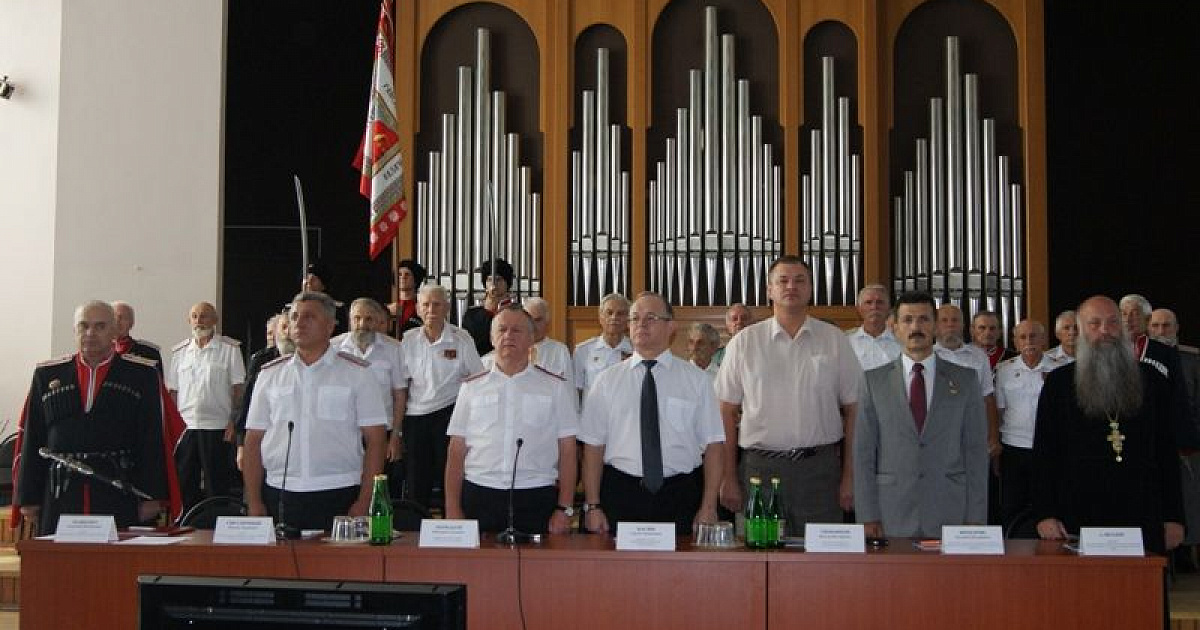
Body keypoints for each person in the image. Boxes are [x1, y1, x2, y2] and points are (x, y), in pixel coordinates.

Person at [714, 256, 860, 533]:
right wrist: (728, 476)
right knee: (758, 554)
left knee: (822, 552)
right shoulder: (745, 342)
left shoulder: (834, 340)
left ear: (811, 289)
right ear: (769, 290)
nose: (791, 286)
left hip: (820, 472)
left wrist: (849, 476)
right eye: (783, 281)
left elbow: (854, 409)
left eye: (800, 280)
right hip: (758, 471)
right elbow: (725, 412)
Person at [1033, 296, 1184, 554]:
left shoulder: (1152, 381)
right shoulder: (1058, 384)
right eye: (1095, 323)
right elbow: (1045, 453)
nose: (1105, 331)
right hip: (1077, 513)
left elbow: (1167, 452)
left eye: (1113, 322)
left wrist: (1174, 517)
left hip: (1143, 513)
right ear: (1080, 330)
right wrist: (1045, 513)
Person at [15, 301, 174, 534]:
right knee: (59, 556)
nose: (90, 333)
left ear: (114, 331)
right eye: (83, 326)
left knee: (117, 555)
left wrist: (152, 496)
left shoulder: (142, 375)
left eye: (100, 326)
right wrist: (28, 497)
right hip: (60, 492)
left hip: (118, 489)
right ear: (74, 330)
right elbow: (33, 438)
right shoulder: (47, 375)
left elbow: (152, 438)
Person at [580, 292, 724, 536]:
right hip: (621, 492)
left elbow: (713, 446)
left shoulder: (696, 381)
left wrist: (709, 506)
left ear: (671, 327)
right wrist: (592, 505)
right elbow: (593, 448)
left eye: (650, 318)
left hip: (680, 493)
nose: (641, 324)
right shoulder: (606, 381)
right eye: (635, 318)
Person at [242, 291, 388, 531]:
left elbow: (376, 440)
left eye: (309, 317)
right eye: (295, 317)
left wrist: (365, 500)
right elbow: (253, 440)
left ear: (330, 326)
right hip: (280, 492)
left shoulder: (357, 373)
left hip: (339, 491)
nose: (299, 323)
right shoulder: (270, 374)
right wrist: (254, 501)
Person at [854, 291, 988, 538]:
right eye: (907, 320)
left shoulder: (966, 380)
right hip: (891, 510)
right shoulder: (873, 381)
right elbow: (863, 453)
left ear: (936, 326)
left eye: (924, 319)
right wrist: (867, 515)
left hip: (951, 510)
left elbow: (976, 453)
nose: (916, 327)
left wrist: (976, 516)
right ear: (894, 327)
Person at [444, 306, 579, 534]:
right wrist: (452, 508)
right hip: (480, 493)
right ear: (492, 338)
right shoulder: (471, 387)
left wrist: (564, 508)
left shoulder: (554, 387)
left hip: (535, 495)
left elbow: (567, 450)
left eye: (516, 330)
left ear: (532, 339)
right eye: (502, 329)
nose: (508, 336)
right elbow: (456, 450)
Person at [399, 284, 485, 509]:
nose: (431, 310)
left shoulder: (461, 339)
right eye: (426, 305)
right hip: (415, 418)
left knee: (450, 477)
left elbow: (477, 379)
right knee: (416, 480)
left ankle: (452, 522)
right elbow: (402, 384)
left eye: (436, 304)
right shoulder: (408, 340)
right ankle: (416, 526)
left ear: (447, 308)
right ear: (418, 309)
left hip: (449, 415)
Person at [167, 302, 245, 510]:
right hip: (186, 427)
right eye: (194, 316)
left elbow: (238, 390)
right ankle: (186, 522)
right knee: (184, 482)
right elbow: (173, 393)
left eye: (204, 316)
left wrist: (234, 422)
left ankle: (214, 523)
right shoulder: (180, 352)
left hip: (217, 426)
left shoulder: (229, 349)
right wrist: (171, 428)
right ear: (189, 320)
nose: (199, 321)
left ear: (215, 320)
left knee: (216, 484)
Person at [333, 298, 409, 498]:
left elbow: (399, 395)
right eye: (357, 318)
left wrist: (395, 437)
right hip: (345, 431)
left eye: (368, 319)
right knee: (348, 489)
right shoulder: (334, 348)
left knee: (381, 491)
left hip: (382, 431)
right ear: (350, 320)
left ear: (377, 322)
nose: (362, 324)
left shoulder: (394, 349)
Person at [1149, 307, 1200, 567]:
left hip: (1187, 447)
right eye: (1155, 326)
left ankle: (1186, 554)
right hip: (1152, 445)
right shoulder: (1140, 360)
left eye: (1166, 325)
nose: (1161, 331)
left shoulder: (1192, 360)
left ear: (1177, 328)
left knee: (1190, 502)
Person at [994, 319, 1055, 535]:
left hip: (1048, 448)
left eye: (1033, 336)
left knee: (1047, 503)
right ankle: (1011, 546)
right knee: (1012, 505)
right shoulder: (1003, 370)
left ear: (1044, 339)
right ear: (1015, 342)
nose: (1028, 341)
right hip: (1014, 448)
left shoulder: (1059, 369)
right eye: (1023, 337)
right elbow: (999, 411)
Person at [235, 312, 294, 469]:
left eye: (291, 327)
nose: (288, 332)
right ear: (276, 332)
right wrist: (241, 445)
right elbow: (246, 403)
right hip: (265, 440)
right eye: (284, 327)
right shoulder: (261, 360)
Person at [573, 293, 632, 395]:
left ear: (628, 319)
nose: (614, 317)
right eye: (609, 313)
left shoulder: (636, 350)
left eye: (620, 313)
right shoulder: (583, 350)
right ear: (600, 318)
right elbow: (576, 390)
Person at [461, 258, 516, 357]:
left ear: (507, 283)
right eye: (489, 280)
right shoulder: (471, 315)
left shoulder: (518, 314)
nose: (494, 285)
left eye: (499, 279)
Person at [846, 284, 902, 371]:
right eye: (868, 302)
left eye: (880, 302)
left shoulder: (902, 342)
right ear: (859, 309)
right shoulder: (846, 342)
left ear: (889, 308)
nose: (874, 307)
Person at [524, 297, 574, 381]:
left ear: (547, 322)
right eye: (529, 320)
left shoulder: (560, 351)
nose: (533, 326)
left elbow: (567, 385)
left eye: (538, 320)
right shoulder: (514, 349)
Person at [111, 301, 163, 374]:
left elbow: (157, 380)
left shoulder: (149, 352)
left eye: (122, 317)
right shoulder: (97, 351)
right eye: (113, 317)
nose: (117, 321)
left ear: (131, 323)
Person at [388, 259, 427, 337]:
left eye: (407, 274)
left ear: (416, 279)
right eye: (399, 274)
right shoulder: (388, 305)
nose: (403, 277)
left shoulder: (423, 305)